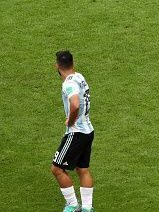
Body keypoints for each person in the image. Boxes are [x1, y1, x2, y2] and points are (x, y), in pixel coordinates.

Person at [51, 51, 95, 212]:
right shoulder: (79, 77)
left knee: (56, 169)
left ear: (57, 65)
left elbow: (75, 104)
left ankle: (72, 205)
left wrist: (70, 120)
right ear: (73, 62)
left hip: (76, 132)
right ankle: (87, 208)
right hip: (88, 130)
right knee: (83, 170)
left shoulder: (68, 83)